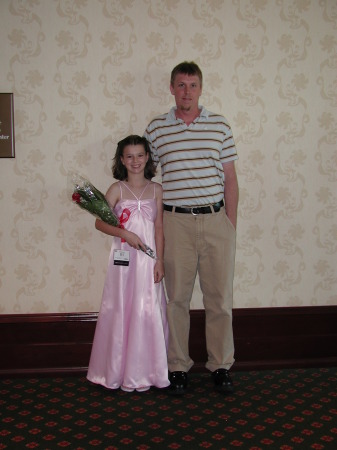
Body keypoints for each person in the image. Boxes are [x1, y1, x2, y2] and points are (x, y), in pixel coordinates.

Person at [143, 61, 239, 395]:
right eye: (181, 85)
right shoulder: (156, 128)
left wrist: (230, 225)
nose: (187, 91)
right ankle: (178, 366)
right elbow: (146, 176)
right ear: (172, 88)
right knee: (176, 300)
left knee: (219, 300)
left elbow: (230, 179)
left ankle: (221, 365)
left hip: (215, 221)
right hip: (176, 222)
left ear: (201, 88)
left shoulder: (220, 125)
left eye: (193, 85)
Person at [87, 135, 169, 393]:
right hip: (123, 261)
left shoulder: (156, 189)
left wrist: (160, 261)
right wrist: (126, 234)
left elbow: (159, 228)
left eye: (140, 155)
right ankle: (117, 371)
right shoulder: (116, 189)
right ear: (121, 159)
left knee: (148, 309)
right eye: (129, 156)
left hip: (148, 261)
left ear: (148, 157)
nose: (135, 161)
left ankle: (148, 371)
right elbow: (100, 222)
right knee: (122, 309)